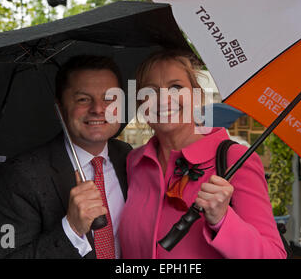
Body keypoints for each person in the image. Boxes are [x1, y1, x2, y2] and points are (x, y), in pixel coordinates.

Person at [118, 50, 287, 258]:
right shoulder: (135, 162)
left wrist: (223, 220)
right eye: (150, 91)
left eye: (176, 87)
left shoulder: (235, 159)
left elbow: (273, 255)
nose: (163, 99)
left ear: (196, 96)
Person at [0, 55, 132, 258]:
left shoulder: (129, 157)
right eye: (83, 99)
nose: (98, 109)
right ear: (60, 109)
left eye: (109, 98)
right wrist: (71, 229)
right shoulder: (19, 176)